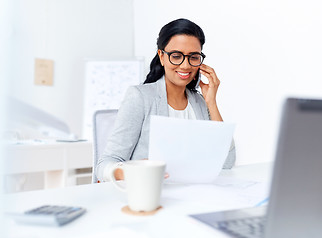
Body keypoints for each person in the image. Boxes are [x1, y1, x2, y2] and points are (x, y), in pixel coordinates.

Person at [96, 18, 236, 182]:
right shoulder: (140, 97)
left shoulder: (199, 102)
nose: (185, 65)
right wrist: (130, 172)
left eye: (194, 57)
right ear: (161, 56)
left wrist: (211, 102)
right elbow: (105, 164)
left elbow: (227, 162)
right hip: (153, 196)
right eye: (176, 56)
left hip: (193, 196)